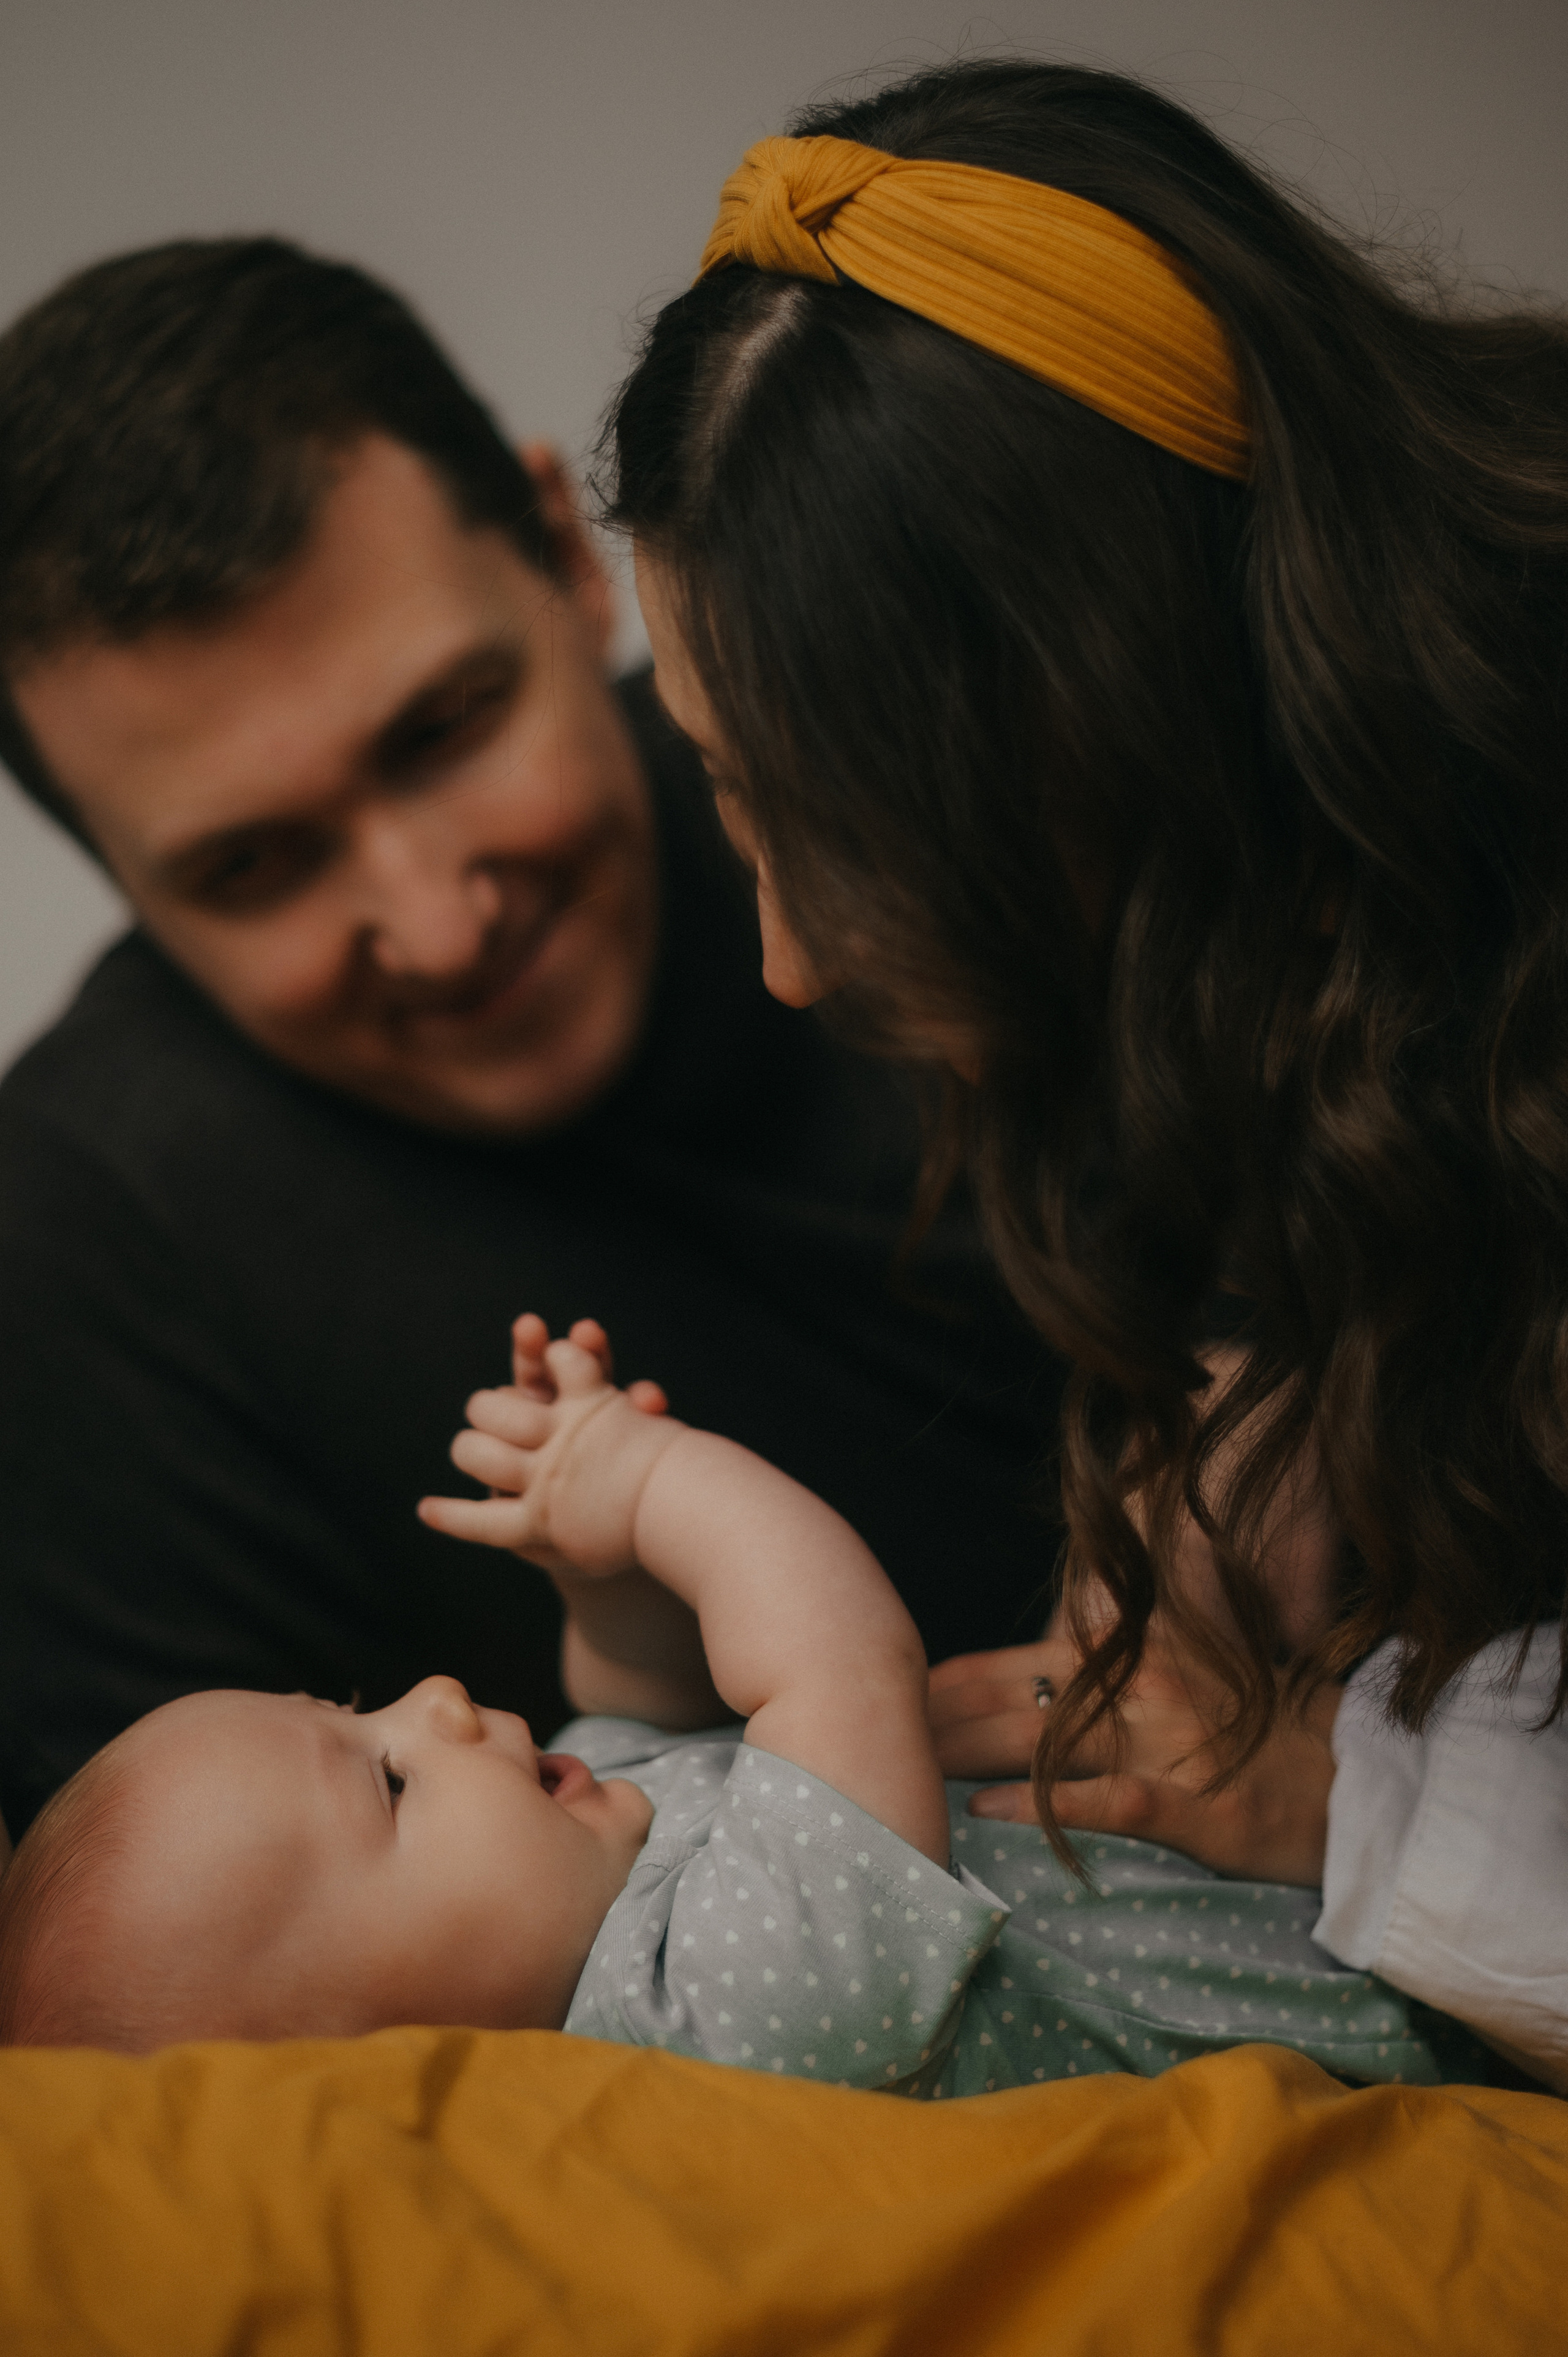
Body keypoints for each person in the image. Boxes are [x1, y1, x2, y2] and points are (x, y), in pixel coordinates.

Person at [596, 61, 1568, 2089]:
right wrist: (1292, 1372)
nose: (779, 957)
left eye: (839, 831)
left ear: (1115, 748)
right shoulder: (1296, 965)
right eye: (721, 790)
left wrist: (1370, 1798)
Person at [0, 237, 1061, 1844]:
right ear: (119, 881)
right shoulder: (80, 1257)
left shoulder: (956, 784)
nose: (435, 925)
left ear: (569, 556)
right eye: (250, 866)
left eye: (444, 731)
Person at [0, 1313, 1480, 2097]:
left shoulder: (582, 1851)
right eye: (382, 1781)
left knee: (1225, 1421)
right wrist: (655, 1489)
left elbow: (653, 1698)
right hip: (1395, 1990)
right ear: (405, 2065)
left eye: (355, 1706)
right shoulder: (704, 2036)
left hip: (1191, 1783)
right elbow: (832, 1667)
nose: (433, 1702)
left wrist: (607, 1576)